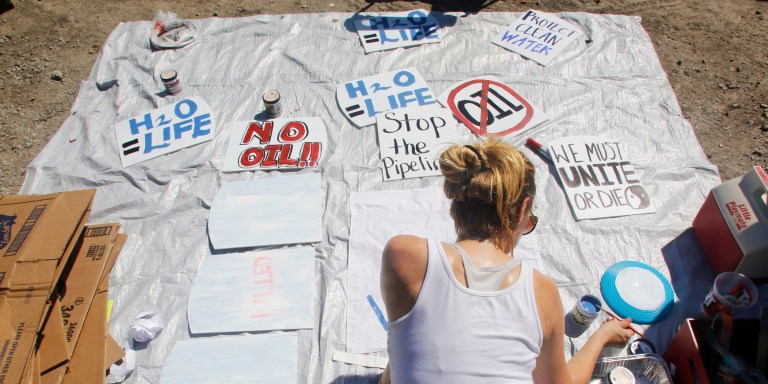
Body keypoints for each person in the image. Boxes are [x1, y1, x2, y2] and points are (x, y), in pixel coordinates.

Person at [378, 139, 634, 384]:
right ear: (523, 209)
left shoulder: (403, 255)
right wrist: (601, 336)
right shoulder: (541, 292)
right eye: (529, 221)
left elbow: (407, 343)